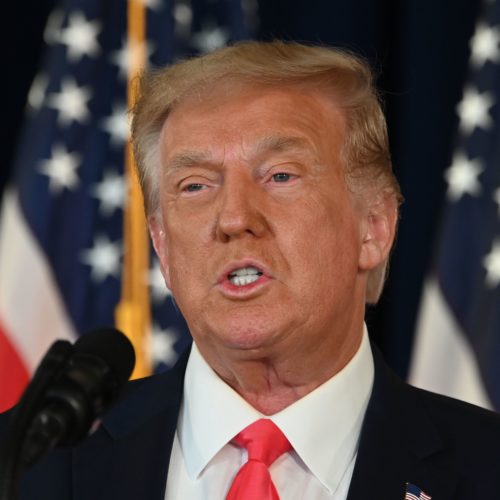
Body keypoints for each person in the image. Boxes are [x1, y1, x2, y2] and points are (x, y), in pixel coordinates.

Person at [2, 40, 500, 500]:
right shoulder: (27, 466)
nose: (235, 218)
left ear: (374, 227)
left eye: (280, 175)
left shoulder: (485, 467)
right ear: (163, 245)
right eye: (195, 185)